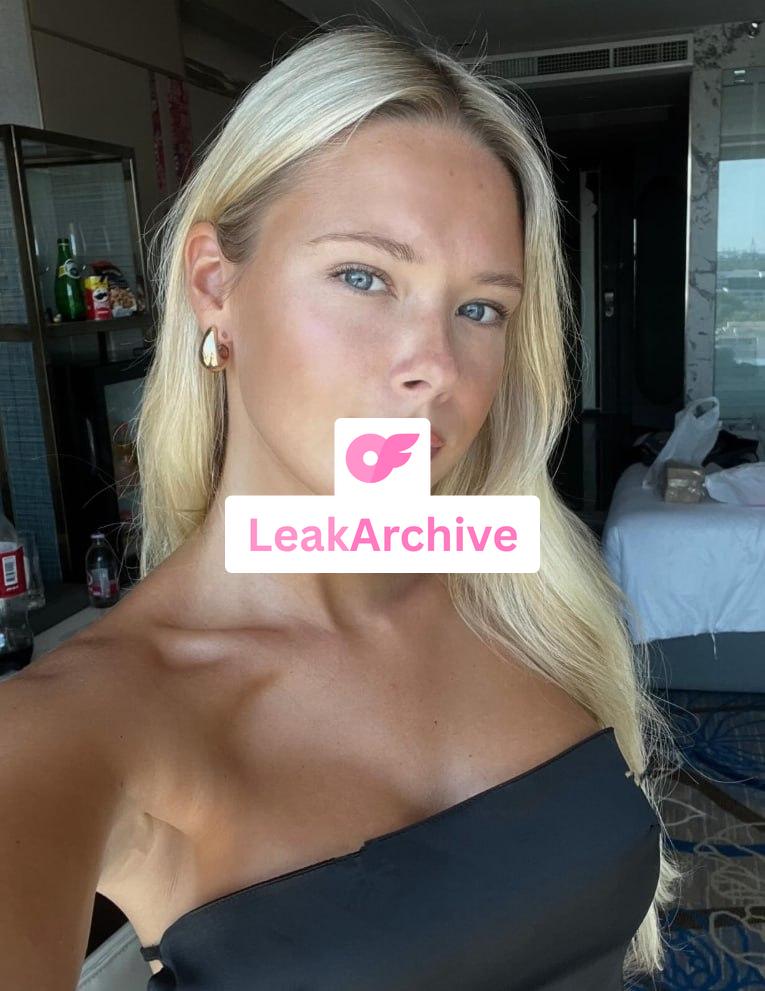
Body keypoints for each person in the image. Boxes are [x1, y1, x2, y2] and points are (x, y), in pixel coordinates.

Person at [0, 17, 683, 991]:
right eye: (364, 276)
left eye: (479, 307)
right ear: (215, 287)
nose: (432, 366)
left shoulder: (535, 599)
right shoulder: (74, 726)